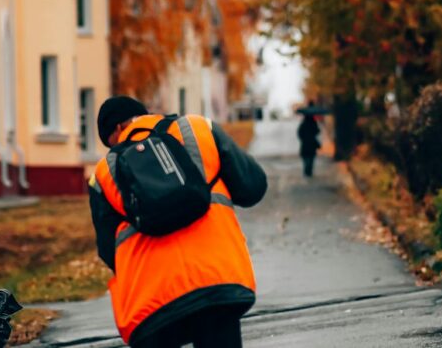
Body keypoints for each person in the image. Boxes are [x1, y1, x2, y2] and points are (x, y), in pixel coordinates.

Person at [88, 96, 268, 348]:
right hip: (218, 283)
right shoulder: (198, 128)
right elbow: (253, 187)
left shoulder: (103, 173)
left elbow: (108, 251)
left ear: (117, 129)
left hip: (151, 306)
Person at [297, 112, 321, 177]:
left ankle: (306, 171)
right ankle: (309, 171)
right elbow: (317, 131)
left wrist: (303, 138)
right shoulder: (314, 123)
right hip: (312, 144)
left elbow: (299, 133)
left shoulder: (303, 124)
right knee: (311, 158)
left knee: (306, 158)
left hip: (305, 144)